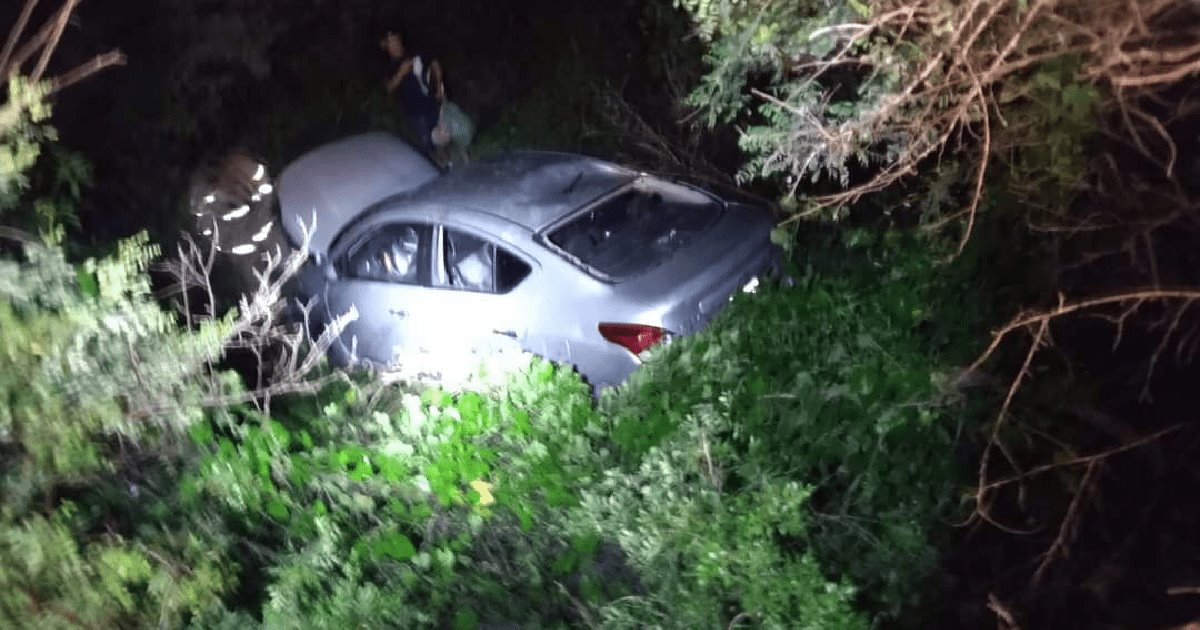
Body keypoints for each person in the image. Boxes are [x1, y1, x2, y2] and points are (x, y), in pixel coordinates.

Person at [381, 31, 444, 155]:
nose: (396, 44)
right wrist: (401, 72)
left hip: (433, 103)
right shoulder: (387, 66)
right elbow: (389, 88)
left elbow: (435, 63)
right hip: (415, 113)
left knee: (443, 137)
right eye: (392, 42)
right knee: (427, 146)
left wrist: (439, 88)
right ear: (386, 46)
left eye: (397, 40)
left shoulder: (414, 55)